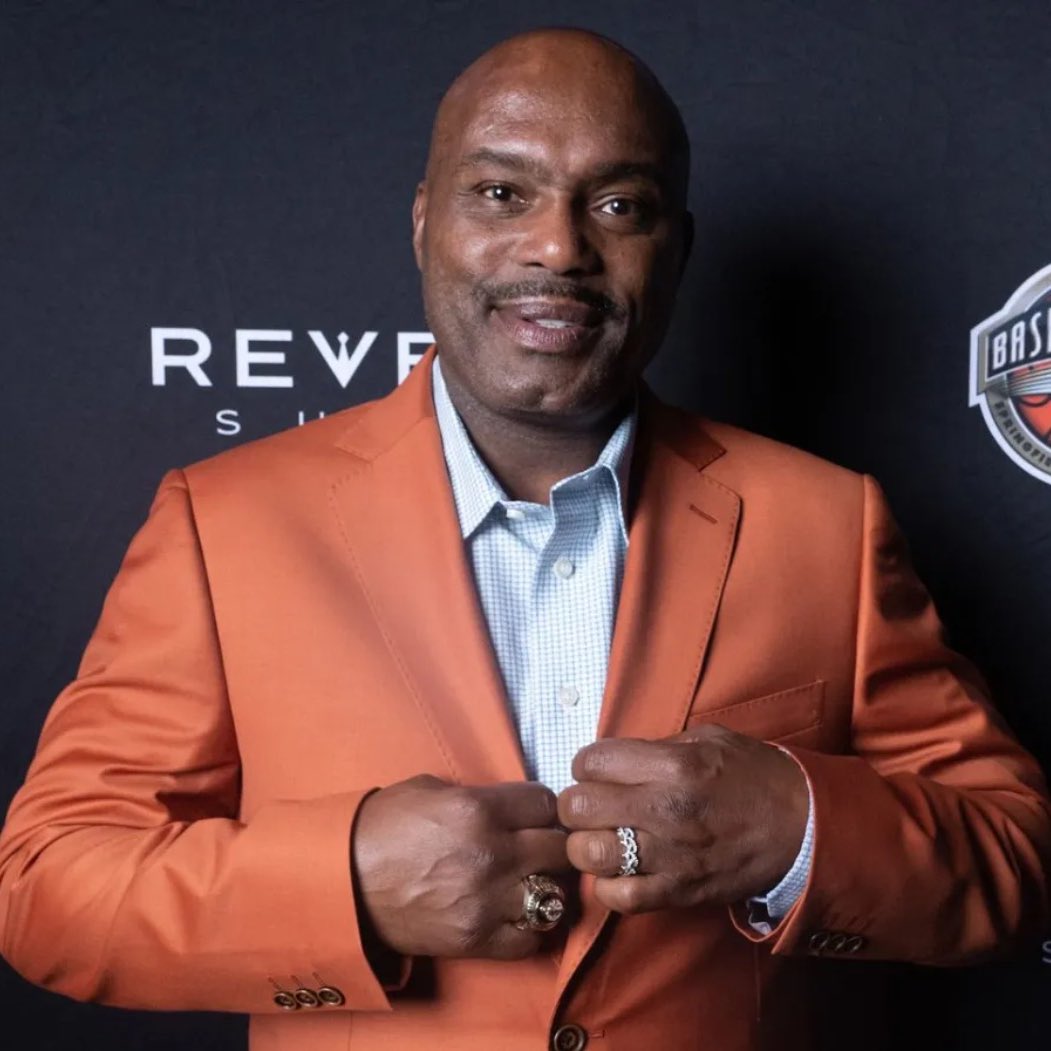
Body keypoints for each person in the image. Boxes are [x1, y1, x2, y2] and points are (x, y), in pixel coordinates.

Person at [1, 26, 1048, 1051]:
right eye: (502, 192)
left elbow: (1014, 857)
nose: (558, 247)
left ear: (676, 250)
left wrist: (797, 829)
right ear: (425, 223)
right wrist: (345, 886)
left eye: (618, 204)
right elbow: (48, 887)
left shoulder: (824, 521)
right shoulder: (225, 522)